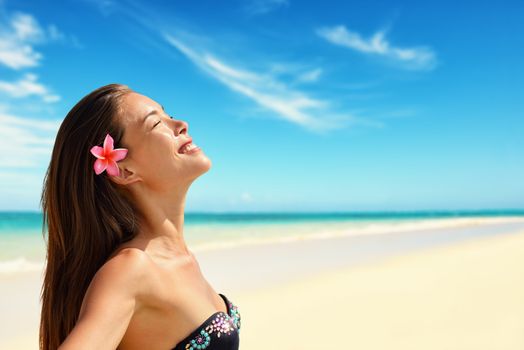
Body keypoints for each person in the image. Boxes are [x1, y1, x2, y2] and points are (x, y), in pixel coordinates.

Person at [39, 84, 241, 350]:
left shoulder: (179, 257)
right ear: (123, 171)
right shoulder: (131, 269)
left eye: (168, 114)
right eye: (156, 122)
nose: (181, 124)